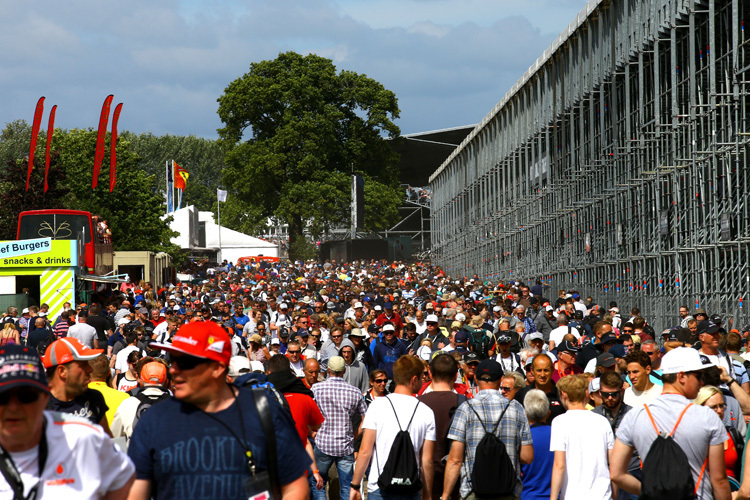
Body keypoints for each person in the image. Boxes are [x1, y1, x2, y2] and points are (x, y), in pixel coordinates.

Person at [127, 321, 311, 500]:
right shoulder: (154, 420)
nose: (173, 370)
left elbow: (295, 486)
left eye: (184, 362)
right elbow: (135, 491)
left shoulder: (264, 412)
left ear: (217, 368)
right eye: (172, 360)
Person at [0, 344, 135, 498]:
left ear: (44, 398)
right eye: (2, 397)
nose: (14, 408)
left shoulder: (86, 436)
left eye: (26, 397)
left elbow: (126, 480)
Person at [610, 347, 731, 500]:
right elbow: (719, 480)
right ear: (681, 377)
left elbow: (616, 474)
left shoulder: (635, 415)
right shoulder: (707, 416)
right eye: (698, 375)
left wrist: (651, 492)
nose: (702, 382)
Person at [442, 358, 533, 500]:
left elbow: (455, 460)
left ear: (477, 380)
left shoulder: (465, 408)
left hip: (474, 491)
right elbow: (527, 457)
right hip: (507, 490)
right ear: (501, 380)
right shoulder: (516, 408)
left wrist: (445, 496)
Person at [351, 355, 436, 500]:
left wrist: (355, 485)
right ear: (414, 379)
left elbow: (365, 451)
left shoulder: (377, 406)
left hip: (379, 487)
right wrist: (427, 494)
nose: (424, 380)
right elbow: (427, 461)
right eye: (422, 376)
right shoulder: (426, 412)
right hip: (410, 488)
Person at [311, 355, 368, 500]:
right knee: (347, 486)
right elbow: (366, 419)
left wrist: (312, 431)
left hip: (323, 442)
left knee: (318, 483)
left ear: (328, 370)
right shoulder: (354, 392)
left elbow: (307, 411)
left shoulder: (316, 388)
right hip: (345, 445)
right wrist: (355, 435)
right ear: (344, 371)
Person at [550, 374, 614, 500]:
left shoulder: (559, 422)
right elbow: (613, 463)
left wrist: (552, 498)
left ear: (563, 394)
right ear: (585, 393)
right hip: (603, 495)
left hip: (572, 495)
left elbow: (559, 464)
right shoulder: (602, 421)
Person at [418, 354, 465, 500]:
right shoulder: (467, 404)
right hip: (456, 482)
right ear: (456, 375)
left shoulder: (416, 404)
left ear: (430, 373)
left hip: (423, 481)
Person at [42, 338, 112, 435]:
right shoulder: (38, 407)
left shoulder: (94, 398)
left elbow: (108, 444)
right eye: (83, 365)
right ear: (62, 371)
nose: (90, 369)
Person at [111, 359, 171, 442]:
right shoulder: (179, 406)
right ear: (167, 381)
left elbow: (115, 439)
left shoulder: (127, 404)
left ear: (140, 380)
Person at [695, 385, 743, 482]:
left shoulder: (733, 434)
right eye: (713, 407)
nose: (720, 411)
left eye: (721, 406)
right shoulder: (694, 436)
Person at [521, 389, 553, 500]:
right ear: (548, 413)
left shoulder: (522, 438)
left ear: (525, 413)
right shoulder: (559, 435)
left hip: (528, 495)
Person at [514, 353, 565, 423]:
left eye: (546, 370)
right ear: (532, 370)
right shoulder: (522, 394)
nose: (542, 375)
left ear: (552, 370)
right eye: (539, 370)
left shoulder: (562, 394)